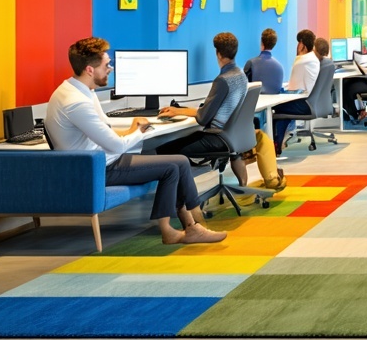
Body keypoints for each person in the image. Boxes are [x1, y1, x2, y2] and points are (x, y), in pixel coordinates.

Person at [44, 38, 226, 245]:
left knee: (180, 162)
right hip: (96, 169)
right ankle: (184, 228)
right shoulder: (76, 102)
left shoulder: (78, 90)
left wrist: (131, 129)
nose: (111, 68)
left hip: (102, 160)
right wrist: (138, 131)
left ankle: (193, 227)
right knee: (172, 166)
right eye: (106, 65)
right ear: (89, 70)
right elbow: (116, 145)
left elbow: (105, 126)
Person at [157, 32, 251, 185]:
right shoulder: (240, 74)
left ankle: (183, 201)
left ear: (218, 54)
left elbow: (203, 118)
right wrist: (179, 110)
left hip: (217, 137)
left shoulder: (222, 80)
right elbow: (207, 112)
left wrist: (179, 111)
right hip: (231, 135)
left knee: (164, 150)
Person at [272, 28, 319, 150]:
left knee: (275, 107)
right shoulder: (313, 58)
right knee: (284, 110)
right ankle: (280, 141)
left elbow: (292, 87)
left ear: (302, 44)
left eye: (298, 43)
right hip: (309, 102)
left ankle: (276, 143)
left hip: (303, 104)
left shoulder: (301, 60)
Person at [243, 28, 284, 94]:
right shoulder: (280, 67)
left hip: (257, 103)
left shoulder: (251, 63)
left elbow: (243, 87)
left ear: (262, 43)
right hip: (275, 103)